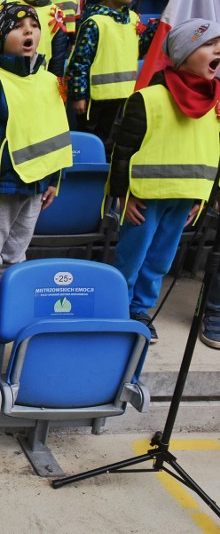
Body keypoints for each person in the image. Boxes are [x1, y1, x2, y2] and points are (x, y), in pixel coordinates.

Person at [108, 19, 220, 344]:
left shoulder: (216, 105)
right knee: (132, 256)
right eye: (208, 44)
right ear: (184, 54)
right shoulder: (149, 98)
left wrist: (202, 197)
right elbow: (123, 150)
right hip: (144, 201)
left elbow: (213, 153)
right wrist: (123, 195)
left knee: (160, 260)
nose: (218, 50)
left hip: (185, 199)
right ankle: (118, 310)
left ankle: (141, 310)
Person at [0, 3, 72, 322]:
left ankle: (2, 304)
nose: (28, 31)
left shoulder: (49, 80)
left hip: (36, 186)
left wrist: (55, 178)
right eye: (17, 26)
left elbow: (55, 130)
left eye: (33, 25)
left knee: (15, 255)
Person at [65, 0, 154, 157]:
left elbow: (137, 48)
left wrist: (155, 31)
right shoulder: (95, 22)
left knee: (114, 144)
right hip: (96, 101)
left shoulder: (132, 18)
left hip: (124, 96)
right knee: (95, 143)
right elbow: (80, 62)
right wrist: (79, 95)